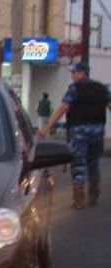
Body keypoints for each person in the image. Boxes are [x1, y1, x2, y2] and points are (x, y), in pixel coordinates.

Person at [38, 62, 111, 209]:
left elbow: (63, 108)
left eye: (74, 73)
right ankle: (93, 193)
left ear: (82, 73)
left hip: (79, 132)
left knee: (78, 163)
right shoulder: (102, 88)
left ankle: (79, 199)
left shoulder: (74, 88)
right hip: (97, 131)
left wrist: (47, 127)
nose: (72, 76)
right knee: (94, 162)